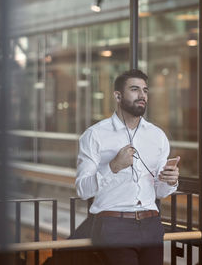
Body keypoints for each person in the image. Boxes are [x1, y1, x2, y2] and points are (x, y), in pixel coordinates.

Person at [75, 69, 180, 265]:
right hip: (113, 225)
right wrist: (113, 166)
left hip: (151, 224)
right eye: (134, 89)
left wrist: (170, 181)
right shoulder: (94, 135)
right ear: (118, 95)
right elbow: (82, 190)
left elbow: (159, 191)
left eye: (145, 90)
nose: (142, 95)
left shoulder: (157, 136)